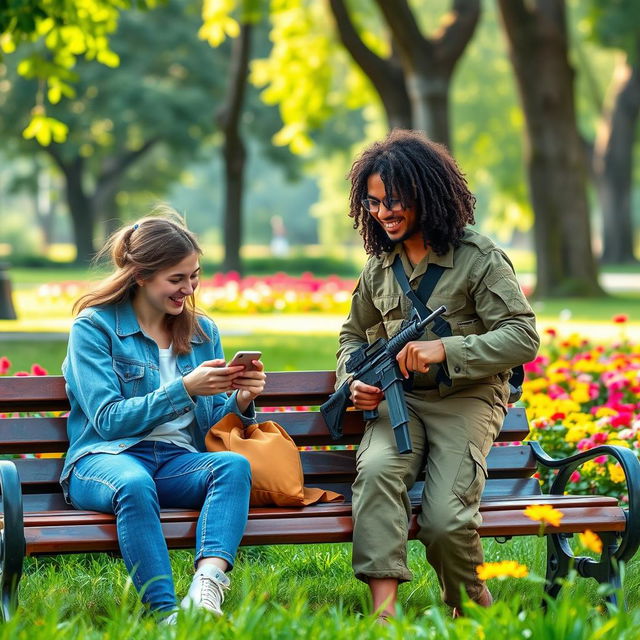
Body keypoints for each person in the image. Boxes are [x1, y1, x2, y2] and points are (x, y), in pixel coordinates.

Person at [336, 130, 539, 619]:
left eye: (396, 200)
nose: (384, 212)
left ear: (428, 195)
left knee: (446, 519)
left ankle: (471, 604)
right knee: (379, 474)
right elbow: (352, 338)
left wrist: (444, 349)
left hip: (466, 398)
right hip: (396, 401)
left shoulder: (479, 257)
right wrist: (353, 382)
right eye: (375, 201)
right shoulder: (378, 267)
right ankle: (384, 616)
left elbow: (523, 337)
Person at [61, 209, 265, 623]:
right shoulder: (94, 328)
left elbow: (207, 431)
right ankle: (167, 616)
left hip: (174, 461)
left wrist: (240, 401)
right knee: (134, 483)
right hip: (103, 459)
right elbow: (109, 420)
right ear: (141, 275)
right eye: (177, 279)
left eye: (194, 276)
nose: (189, 289)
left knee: (232, 467)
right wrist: (184, 388)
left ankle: (206, 589)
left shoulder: (202, 331)